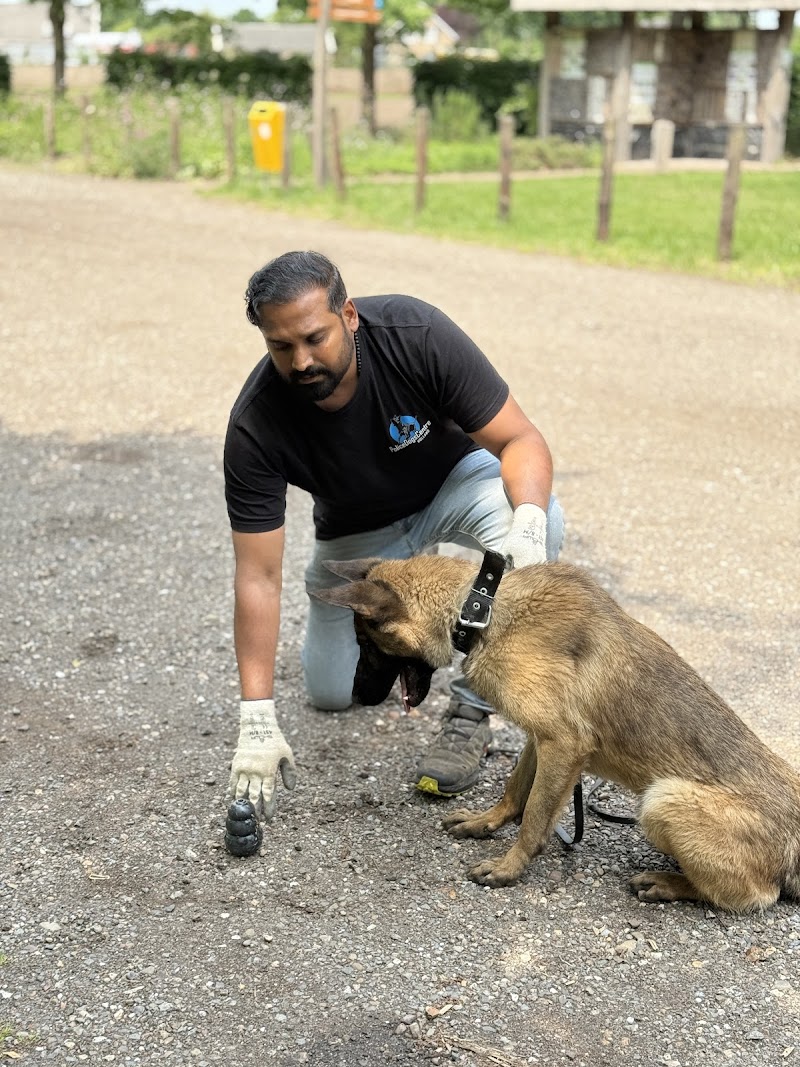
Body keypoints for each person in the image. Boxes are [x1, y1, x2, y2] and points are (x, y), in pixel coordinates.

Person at [224, 250, 564, 821]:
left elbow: (519, 439)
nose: (301, 361)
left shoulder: (415, 333)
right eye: (281, 346)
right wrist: (255, 717)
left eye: (314, 338)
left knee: (542, 515)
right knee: (333, 694)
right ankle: (404, 584)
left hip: (453, 484)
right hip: (359, 534)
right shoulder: (255, 424)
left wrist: (528, 527)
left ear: (349, 315)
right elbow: (258, 575)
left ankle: (471, 710)